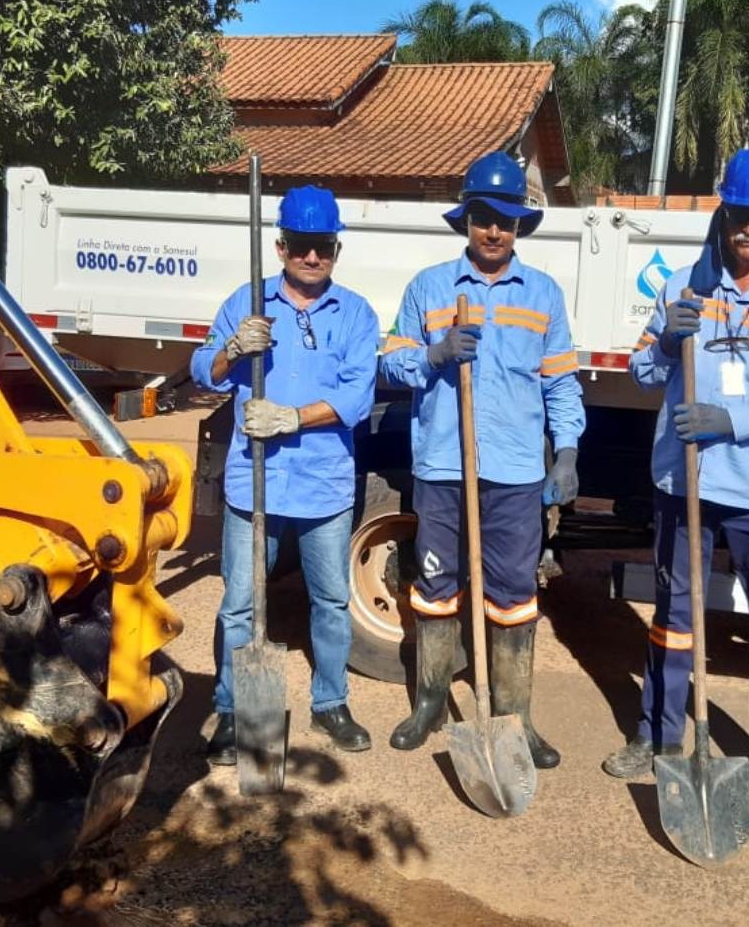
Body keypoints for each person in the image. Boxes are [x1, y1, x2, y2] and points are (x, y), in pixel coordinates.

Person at [601, 146, 749, 826]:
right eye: (741, 213)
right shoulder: (684, 286)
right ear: (724, 211)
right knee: (675, 618)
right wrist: (660, 344)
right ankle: (659, 737)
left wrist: (734, 420)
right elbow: (642, 374)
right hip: (687, 481)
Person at [378, 150, 585, 769]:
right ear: (466, 220)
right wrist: (434, 354)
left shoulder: (543, 294)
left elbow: (560, 384)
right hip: (443, 465)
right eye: (483, 217)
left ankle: (515, 717)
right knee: (436, 586)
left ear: (520, 225)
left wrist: (567, 451)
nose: (494, 230)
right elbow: (391, 364)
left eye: (506, 220)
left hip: (516, 471)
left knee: (514, 594)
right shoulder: (429, 287)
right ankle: (430, 702)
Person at [192, 185, 380, 763]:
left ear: (336, 250)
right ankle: (233, 712)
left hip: (323, 485)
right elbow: (203, 370)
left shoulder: (356, 314)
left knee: (331, 601)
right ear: (281, 247)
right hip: (256, 481)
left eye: (322, 246)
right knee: (239, 605)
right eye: (300, 245)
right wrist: (232, 349)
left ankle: (330, 704)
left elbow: (357, 397)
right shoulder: (248, 302)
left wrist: (291, 418)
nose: (312, 256)